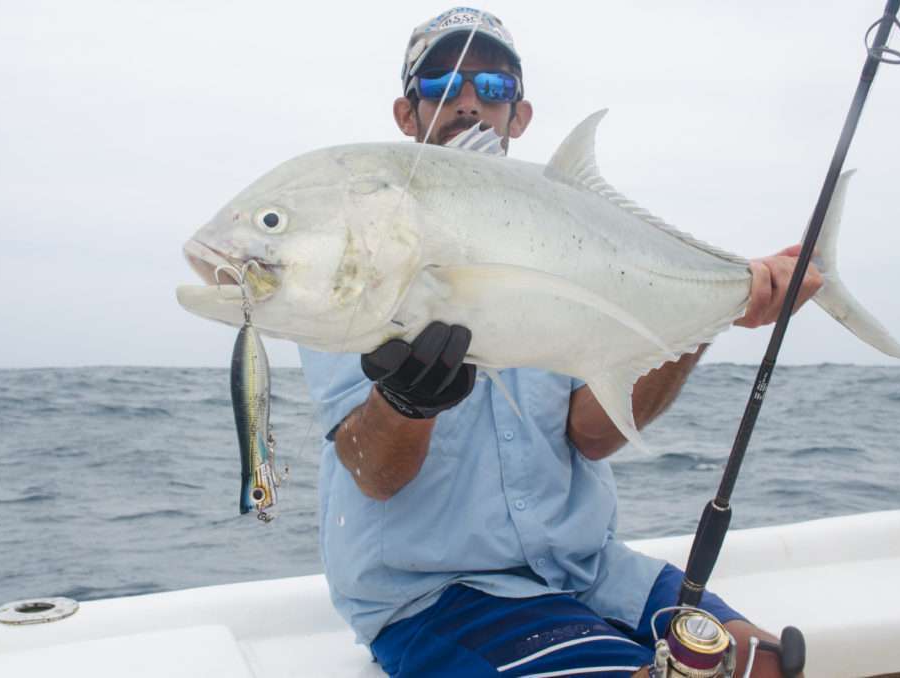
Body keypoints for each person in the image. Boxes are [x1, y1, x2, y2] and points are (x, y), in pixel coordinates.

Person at [299, 7, 820, 677]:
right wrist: (406, 401)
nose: (467, 103)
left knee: (766, 666)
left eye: (493, 89)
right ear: (406, 112)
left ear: (521, 115)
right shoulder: (365, 253)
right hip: (439, 596)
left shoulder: (573, 238)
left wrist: (711, 314)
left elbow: (594, 436)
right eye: (440, 85)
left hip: (592, 568)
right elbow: (374, 473)